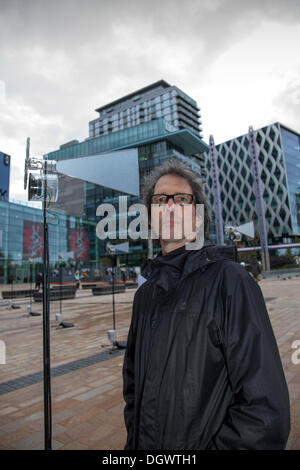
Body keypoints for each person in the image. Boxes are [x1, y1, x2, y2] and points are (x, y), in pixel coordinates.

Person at [122, 158, 290, 450]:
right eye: (161, 200)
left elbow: (265, 413)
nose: (170, 205)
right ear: (150, 217)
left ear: (198, 218)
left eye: (182, 199)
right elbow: (133, 389)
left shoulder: (230, 281)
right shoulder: (144, 295)